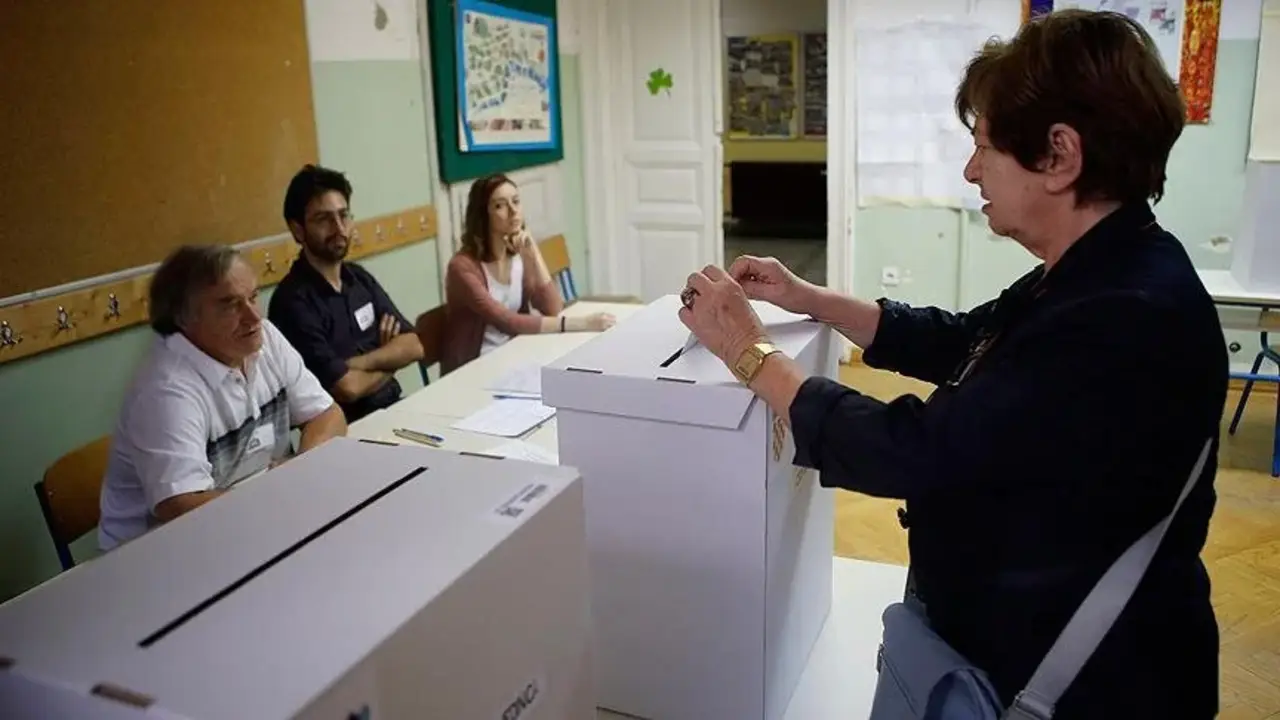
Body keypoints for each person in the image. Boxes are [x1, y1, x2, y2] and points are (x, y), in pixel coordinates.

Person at [676, 11, 1222, 718]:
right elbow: (968, 339)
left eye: (985, 147)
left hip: (1084, 681)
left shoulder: (1127, 317)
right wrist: (808, 297)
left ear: (1059, 155)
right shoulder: (1105, 267)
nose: (971, 170)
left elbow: (916, 452)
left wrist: (751, 354)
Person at [99, 245, 347, 550]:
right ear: (184, 318)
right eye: (230, 305)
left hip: (251, 521)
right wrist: (276, 497)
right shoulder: (166, 391)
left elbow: (328, 415)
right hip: (161, 555)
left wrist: (299, 472)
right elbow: (182, 506)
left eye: (254, 297)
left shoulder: (264, 338)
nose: (254, 316)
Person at [268, 164, 424, 423]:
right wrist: (391, 360)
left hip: (394, 409)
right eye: (323, 219)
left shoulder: (358, 277)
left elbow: (414, 345)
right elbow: (347, 388)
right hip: (346, 432)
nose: (339, 228)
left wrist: (357, 363)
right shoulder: (292, 302)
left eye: (344, 215)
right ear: (297, 230)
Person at [442, 174, 614, 374]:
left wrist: (533, 252)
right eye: (500, 205)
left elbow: (553, 307)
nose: (513, 211)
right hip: (475, 367)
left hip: (515, 354)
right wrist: (584, 323)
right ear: (483, 215)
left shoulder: (515, 254)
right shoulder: (462, 268)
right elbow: (507, 321)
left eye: (516, 201)